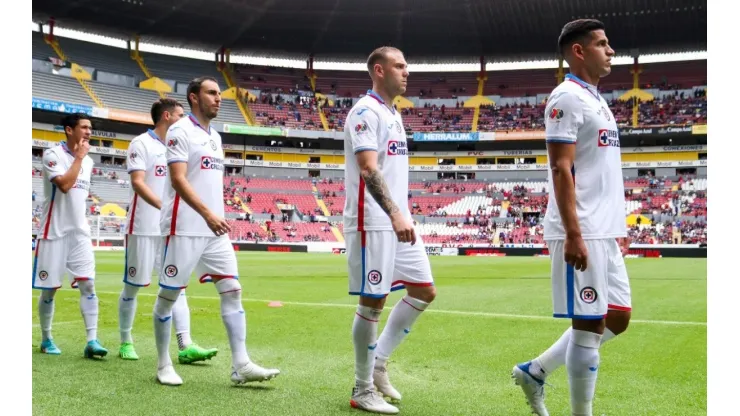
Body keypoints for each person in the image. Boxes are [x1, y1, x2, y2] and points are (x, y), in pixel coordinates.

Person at [511, 19, 632, 416]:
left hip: (604, 229)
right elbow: (562, 169)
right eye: (602, 43)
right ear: (579, 51)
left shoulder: (596, 100)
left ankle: (536, 370)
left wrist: (619, 226)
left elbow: (600, 169)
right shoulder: (565, 98)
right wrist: (574, 233)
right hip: (581, 227)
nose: (610, 50)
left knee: (617, 316)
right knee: (590, 323)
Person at [152, 76, 280, 386]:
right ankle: (163, 364)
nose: (218, 98)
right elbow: (178, 179)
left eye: (219, 94)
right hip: (183, 227)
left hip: (214, 229)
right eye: (211, 93)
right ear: (194, 97)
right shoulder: (179, 131)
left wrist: (215, 217)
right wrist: (208, 214)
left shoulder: (215, 137)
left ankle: (241, 365)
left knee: (233, 290)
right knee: (170, 295)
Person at [343, 47, 437, 414]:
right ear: (379, 71)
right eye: (400, 66)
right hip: (374, 220)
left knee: (424, 291)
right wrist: (397, 213)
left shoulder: (392, 114)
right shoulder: (365, 111)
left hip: (398, 219)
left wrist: (402, 214)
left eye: (407, 66)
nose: (407, 72)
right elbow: (368, 169)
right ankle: (362, 388)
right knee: (373, 300)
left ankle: (378, 364)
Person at [118, 98, 218, 363]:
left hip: (169, 228)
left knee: (177, 286)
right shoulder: (141, 143)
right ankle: (125, 340)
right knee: (133, 286)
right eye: (180, 114)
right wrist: (165, 206)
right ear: (166, 116)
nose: (184, 118)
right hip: (142, 226)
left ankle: (185, 345)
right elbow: (138, 183)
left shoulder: (180, 144)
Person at [33, 113, 108, 359]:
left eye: (90, 128)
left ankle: (92, 340)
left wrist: (81, 158)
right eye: (84, 127)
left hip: (80, 234)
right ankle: (46, 338)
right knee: (50, 290)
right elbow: (64, 186)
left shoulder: (88, 161)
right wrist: (78, 157)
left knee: (88, 284)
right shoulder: (53, 155)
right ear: (69, 129)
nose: (88, 132)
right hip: (53, 232)